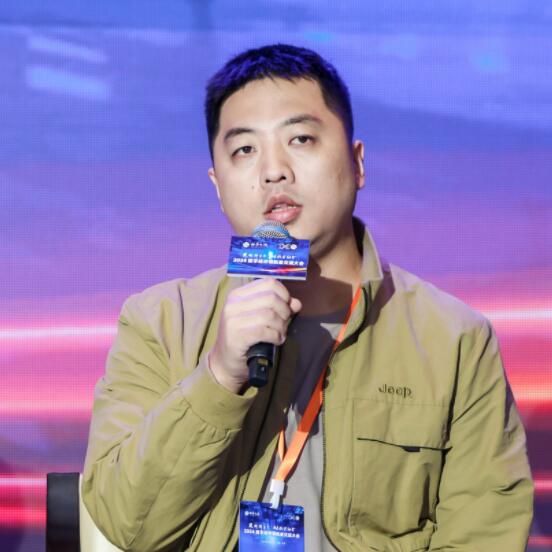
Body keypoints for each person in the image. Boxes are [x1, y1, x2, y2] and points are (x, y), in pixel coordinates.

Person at [82, 44, 533, 551]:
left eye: (300, 139)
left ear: (357, 164)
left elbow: (485, 532)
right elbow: (128, 525)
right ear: (217, 186)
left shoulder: (454, 339)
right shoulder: (160, 322)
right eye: (244, 150)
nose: (273, 171)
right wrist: (218, 377)